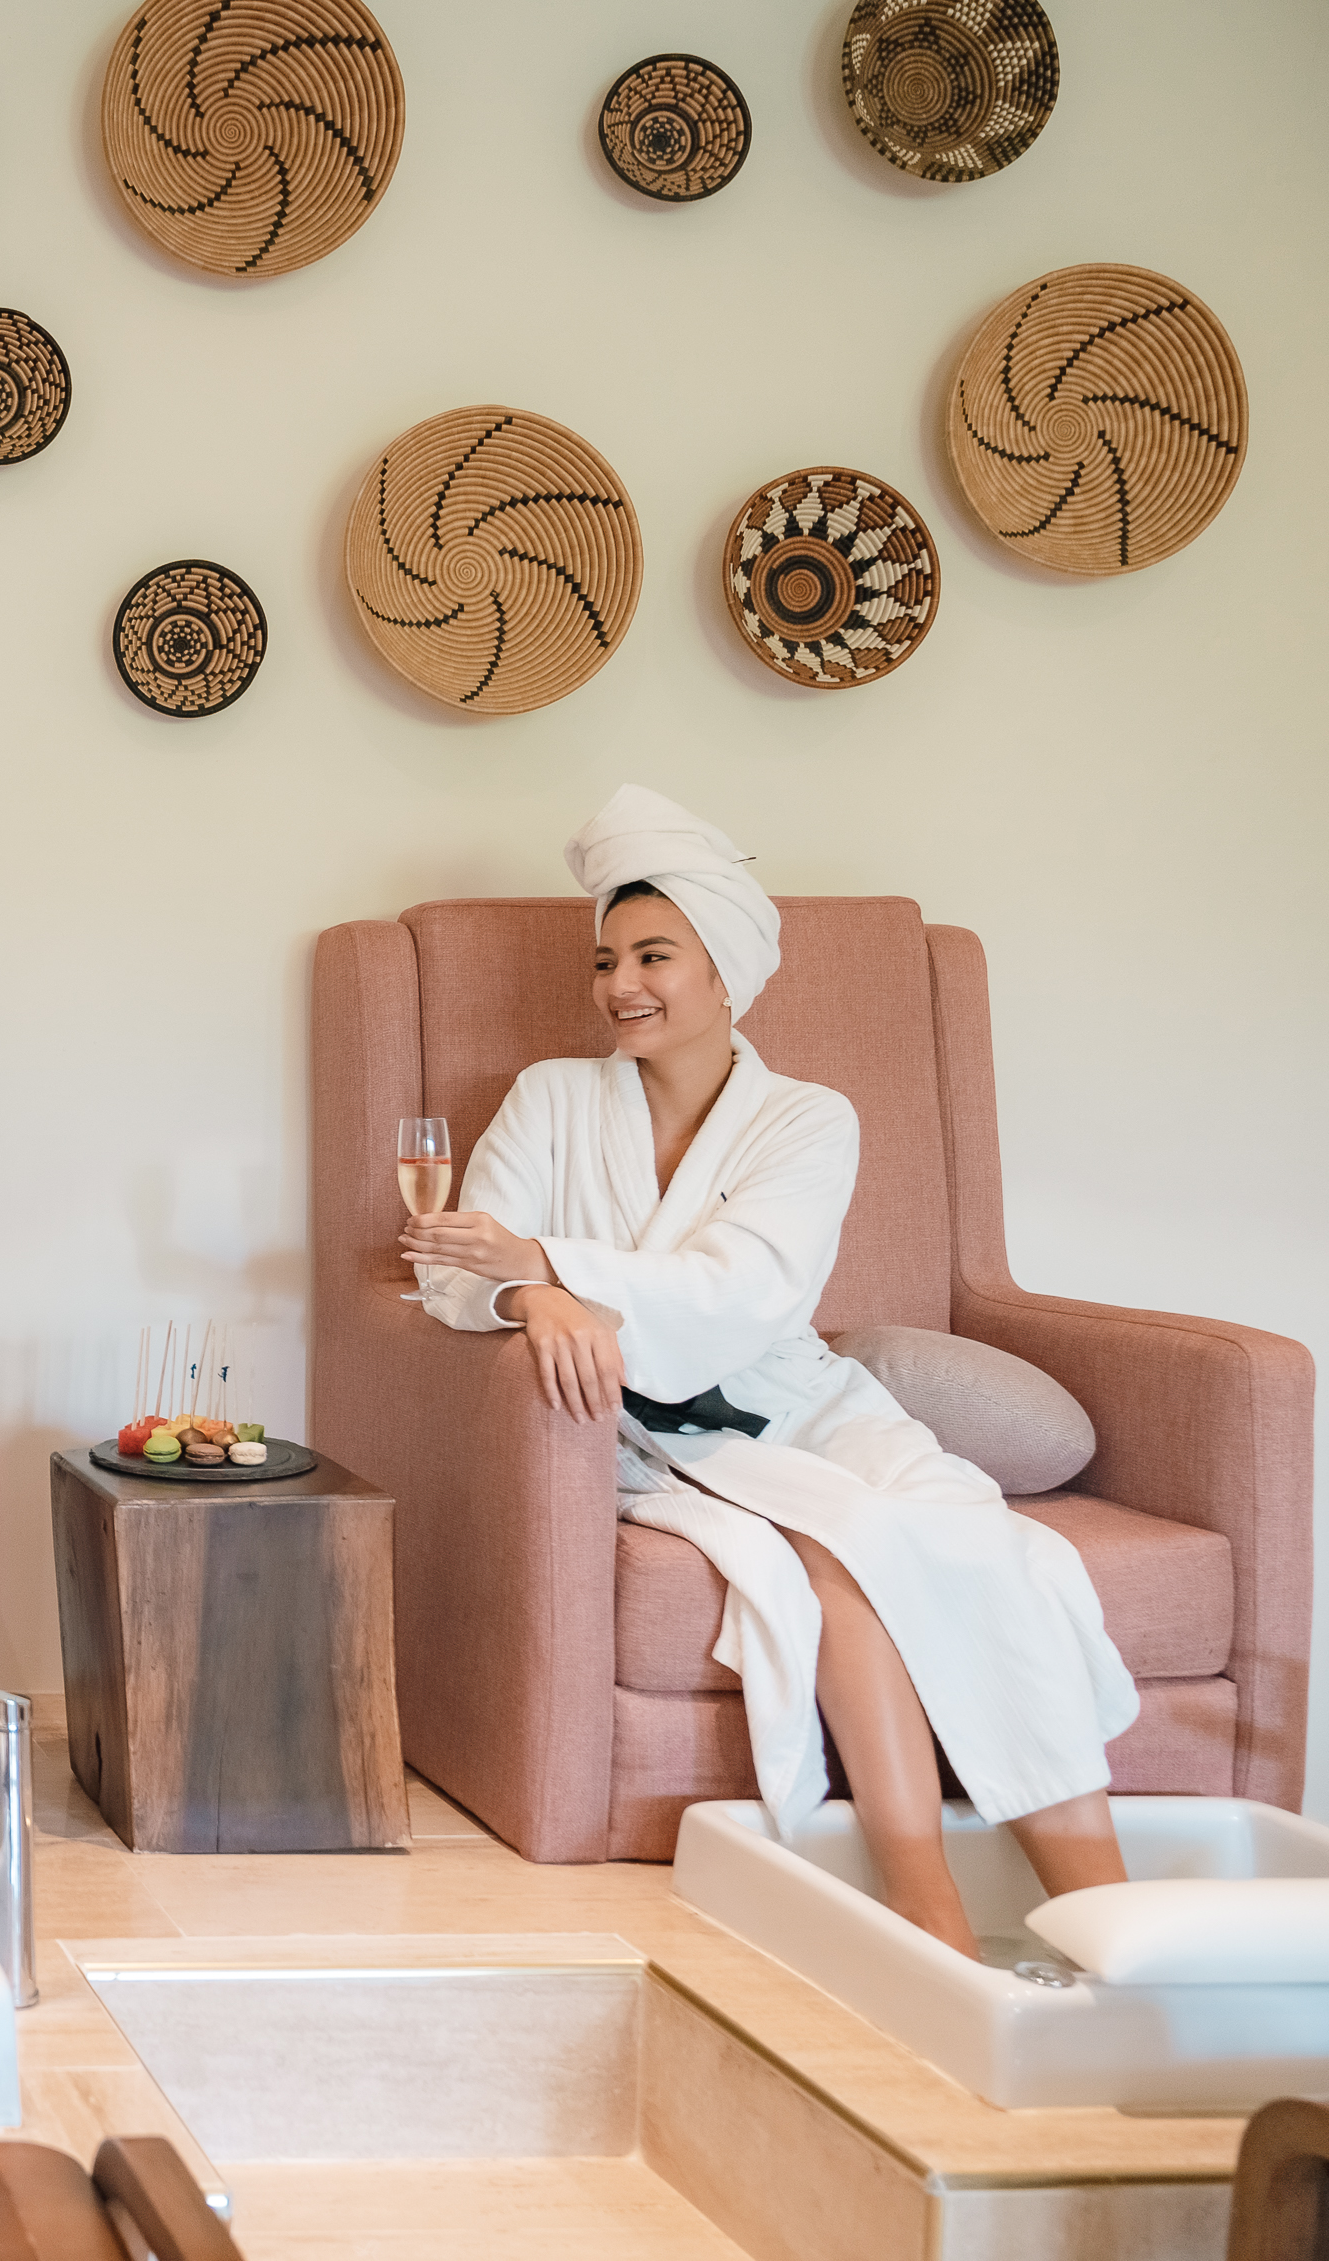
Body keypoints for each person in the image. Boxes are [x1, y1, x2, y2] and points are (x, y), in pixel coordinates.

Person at [403, 784, 1133, 1957]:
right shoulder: (550, 1096)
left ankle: (1109, 1917)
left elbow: (740, 1295)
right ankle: (924, 1909)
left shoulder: (807, 1120)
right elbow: (451, 1265)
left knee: (990, 1549)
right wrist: (530, 1293)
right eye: (605, 960)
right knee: (838, 1564)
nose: (620, 984)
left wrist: (537, 1255)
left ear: (725, 970)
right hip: (647, 1427)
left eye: (653, 955)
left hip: (802, 1401)